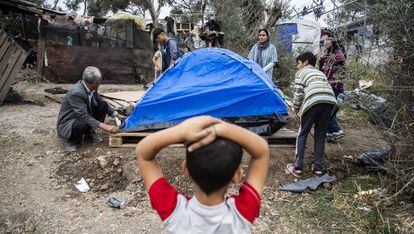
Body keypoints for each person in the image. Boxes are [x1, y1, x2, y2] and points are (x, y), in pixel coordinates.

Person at [136, 116, 269, 233]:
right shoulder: (242, 214)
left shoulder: (174, 211)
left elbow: (143, 153)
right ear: (238, 175)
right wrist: (219, 128)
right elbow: (261, 151)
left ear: (185, 168)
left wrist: (180, 131)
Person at [286, 52, 337, 177]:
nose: (297, 66)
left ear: (305, 62)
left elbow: (298, 94)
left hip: (314, 101)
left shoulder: (301, 73)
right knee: (320, 135)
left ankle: (297, 168)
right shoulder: (321, 73)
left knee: (302, 133)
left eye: (299, 63)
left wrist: (294, 108)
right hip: (330, 102)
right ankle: (318, 169)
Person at [57, 66, 125, 152]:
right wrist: (105, 126)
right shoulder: (76, 93)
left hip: (82, 115)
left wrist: (118, 115)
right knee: (82, 124)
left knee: (103, 104)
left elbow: (99, 101)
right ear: (95, 82)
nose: (100, 84)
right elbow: (83, 116)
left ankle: (89, 133)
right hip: (70, 121)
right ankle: (72, 141)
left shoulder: (92, 87)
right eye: (99, 82)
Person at [318, 36, 346, 142]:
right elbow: (321, 69)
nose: (325, 42)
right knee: (325, 107)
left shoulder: (338, 53)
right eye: (324, 40)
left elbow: (340, 59)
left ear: (333, 41)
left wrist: (329, 57)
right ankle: (331, 132)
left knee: (329, 108)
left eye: (327, 40)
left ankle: (336, 130)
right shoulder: (326, 53)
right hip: (326, 85)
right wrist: (321, 58)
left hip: (335, 85)